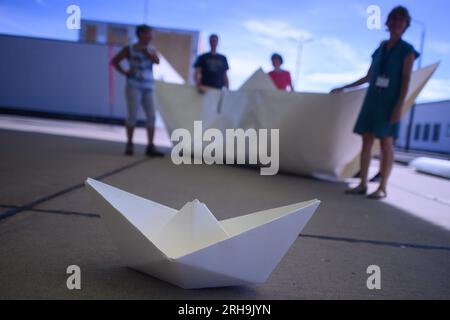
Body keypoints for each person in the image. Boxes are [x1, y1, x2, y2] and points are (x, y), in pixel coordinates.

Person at [331, 6, 419, 199]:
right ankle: (362, 183)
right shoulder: (380, 48)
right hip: (372, 100)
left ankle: (382, 187)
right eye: (393, 19)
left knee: (386, 144)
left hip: (390, 103)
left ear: (406, 25)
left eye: (401, 20)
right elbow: (369, 76)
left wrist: (399, 106)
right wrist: (345, 87)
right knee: (366, 142)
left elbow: (405, 80)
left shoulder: (407, 51)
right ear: (387, 23)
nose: (396, 23)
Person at [111, 24, 164, 157]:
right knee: (132, 115)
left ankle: (150, 146)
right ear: (140, 34)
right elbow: (115, 61)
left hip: (148, 86)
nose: (150, 36)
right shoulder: (129, 48)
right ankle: (130, 143)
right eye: (148, 33)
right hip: (134, 85)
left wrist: (146, 52)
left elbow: (157, 61)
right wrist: (125, 72)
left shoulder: (151, 49)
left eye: (151, 34)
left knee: (151, 115)